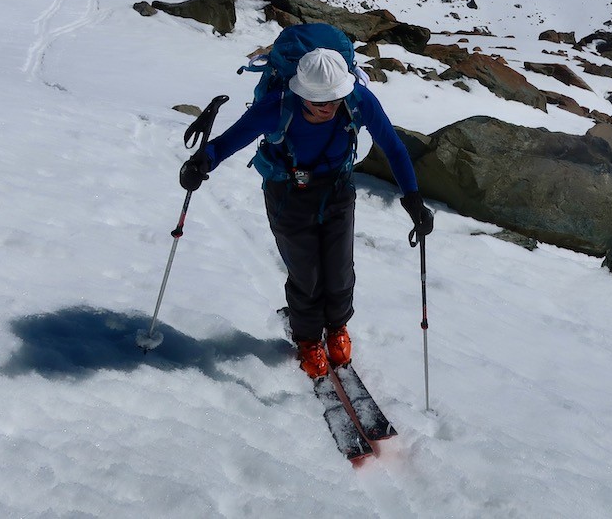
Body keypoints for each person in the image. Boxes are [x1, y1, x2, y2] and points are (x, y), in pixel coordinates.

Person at [178, 47, 434, 379]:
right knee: (307, 275)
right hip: (288, 195)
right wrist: (203, 162)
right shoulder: (278, 106)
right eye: (319, 101)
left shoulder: (358, 100)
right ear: (302, 94)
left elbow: (393, 146)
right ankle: (309, 339)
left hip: (338, 190)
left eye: (334, 99)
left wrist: (413, 197)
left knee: (340, 269)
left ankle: (337, 327)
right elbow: (229, 141)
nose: (328, 108)